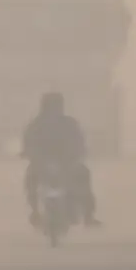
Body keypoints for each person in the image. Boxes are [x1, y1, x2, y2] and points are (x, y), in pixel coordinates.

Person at [21, 92, 98, 226]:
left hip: (64, 163)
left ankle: (87, 215)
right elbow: (28, 143)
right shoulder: (38, 124)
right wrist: (27, 152)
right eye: (51, 105)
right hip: (45, 163)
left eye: (55, 105)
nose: (53, 109)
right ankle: (35, 211)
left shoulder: (65, 123)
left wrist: (79, 152)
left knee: (83, 177)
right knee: (31, 181)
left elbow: (79, 141)